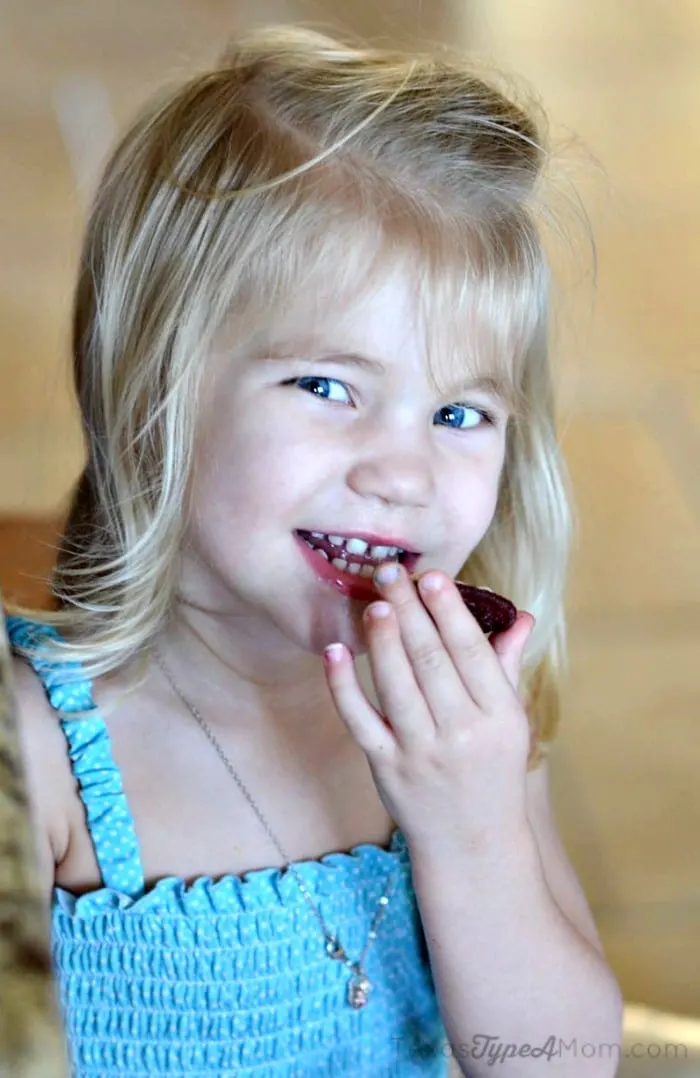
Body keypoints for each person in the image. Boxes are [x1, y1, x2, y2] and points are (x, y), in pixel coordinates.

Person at [7, 25, 623, 1078]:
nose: (405, 472)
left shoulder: (460, 728)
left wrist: (474, 828)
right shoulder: (44, 749)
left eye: (460, 412)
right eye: (328, 387)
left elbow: (554, 1065)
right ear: (154, 393)